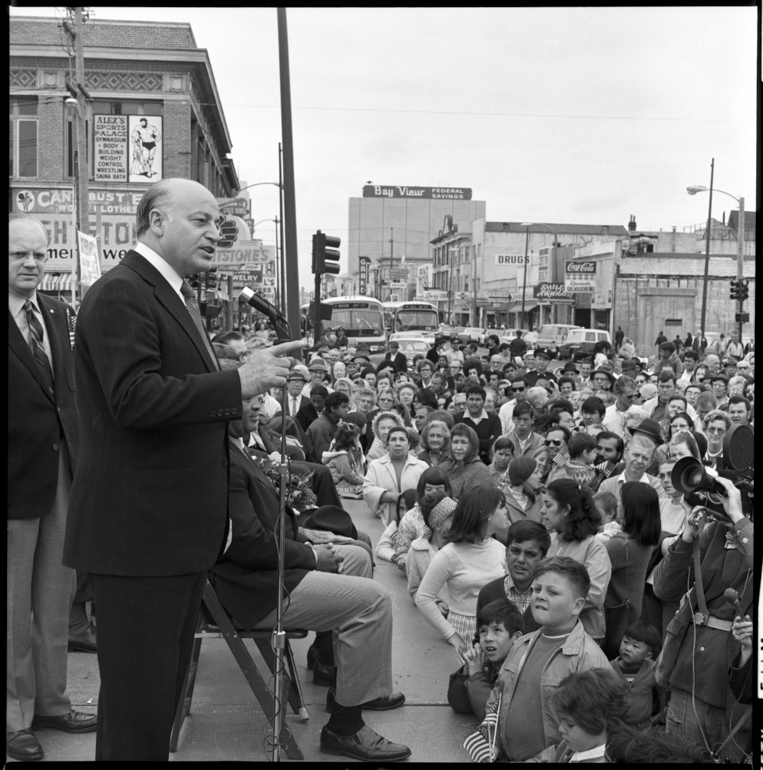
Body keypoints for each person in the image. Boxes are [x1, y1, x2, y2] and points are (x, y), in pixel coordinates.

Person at [62, 179, 306, 761]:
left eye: (218, 222)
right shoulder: (123, 292)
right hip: (140, 542)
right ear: (154, 221)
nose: (215, 233)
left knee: (156, 708)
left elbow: (171, 388)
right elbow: (134, 399)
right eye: (200, 220)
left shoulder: (170, 293)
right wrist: (235, 383)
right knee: (136, 716)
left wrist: (238, 373)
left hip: (172, 542)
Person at [209, 412, 411, 762]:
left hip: (263, 576)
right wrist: (312, 556)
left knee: (358, 557)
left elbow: (262, 525)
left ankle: (336, 672)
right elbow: (246, 543)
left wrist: (308, 535)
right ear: (223, 404)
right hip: (250, 590)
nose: (258, 407)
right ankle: (344, 728)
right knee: (374, 601)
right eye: (248, 398)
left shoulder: (234, 448)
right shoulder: (221, 459)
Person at [8, 214, 97, 762]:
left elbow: (71, 397)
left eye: (39, 255)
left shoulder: (59, 313)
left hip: (63, 476)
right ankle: (13, 718)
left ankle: (50, 702)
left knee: (54, 600)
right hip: (11, 485)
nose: (32, 265)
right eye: (20, 255)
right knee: (11, 609)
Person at [653, 475, 753, 762]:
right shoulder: (716, 532)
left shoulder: (741, 527)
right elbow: (663, 588)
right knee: (677, 756)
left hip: (736, 689)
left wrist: (739, 518)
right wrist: (687, 537)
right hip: (689, 676)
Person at [483, 557, 610, 762]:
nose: (540, 596)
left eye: (552, 592)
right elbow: (498, 695)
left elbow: (593, 734)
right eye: (536, 589)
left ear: (577, 606)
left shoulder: (589, 661)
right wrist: (491, 740)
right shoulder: (521, 645)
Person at [415, 486, 509, 652]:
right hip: (464, 631)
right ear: (487, 514)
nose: (506, 512)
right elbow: (423, 598)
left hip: (497, 631)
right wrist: (451, 635)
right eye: (501, 507)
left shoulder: (501, 549)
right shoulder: (449, 554)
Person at [542, 480, 612, 643]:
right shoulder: (551, 540)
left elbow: (594, 594)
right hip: (551, 630)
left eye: (548, 505)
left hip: (582, 635)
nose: (542, 511)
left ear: (566, 510)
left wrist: (550, 600)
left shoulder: (594, 548)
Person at [601, 482, 661, 659]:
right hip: (631, 611)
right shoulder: (645, 540)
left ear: (632, 508)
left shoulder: (621, 545)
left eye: (621, 501)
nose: (618, 505)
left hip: (613, 617)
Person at [528, 669, 628, 763]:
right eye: (561, 720)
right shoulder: (571, 745)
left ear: (598, 722)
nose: (560, 728)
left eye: (570, 724)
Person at [447, 600, 524, 720]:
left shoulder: (518, 669)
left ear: (516, 638)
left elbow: (490, 716)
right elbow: (460, 705)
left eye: (497, 630)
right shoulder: (485, 663)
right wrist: (466, 672)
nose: (488, 638)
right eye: (483, 631)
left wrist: (476, 676)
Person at [477, 520, 551, 634]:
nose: (521, 559)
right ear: (506, 553)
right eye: (515, 551)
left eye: (530, 554)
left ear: (543, 560)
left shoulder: (551, 597)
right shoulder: (488, 593)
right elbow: (480, 638)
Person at [363, 426, 429, 526]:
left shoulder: (422, 466)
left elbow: (428, 493)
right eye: (393, 439)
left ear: (409, 445)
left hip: (416, 523)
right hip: (383, 523)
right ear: (387, 445)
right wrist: (394, 497)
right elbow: (367, 490)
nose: (397, 443)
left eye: (402, 439)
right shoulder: (375, 465)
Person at [608, 621, 661, 730]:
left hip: (642, 728)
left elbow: (663, 690)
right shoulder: (608, 669)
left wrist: (661, 715)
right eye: (625, 642)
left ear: (648, 656)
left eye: (635, 646)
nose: (628, 648)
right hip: (614, 728)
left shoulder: (653, 670)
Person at [437, 423, 496, 498]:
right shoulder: (442, 467)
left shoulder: (480, 471)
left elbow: (478, 505)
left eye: (464, 442)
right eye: (455, 442)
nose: (458, 447)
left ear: (473, 445)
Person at [454, 384, 502, 464]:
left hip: (488, 463)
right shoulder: (457, 419)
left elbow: (496, 444)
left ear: (483, 402)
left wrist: (468, 441)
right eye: (471, 399)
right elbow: (455, 443)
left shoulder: (494, 419)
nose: (474, 403)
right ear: (466, 401)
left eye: (478, 399)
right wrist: (485, 444)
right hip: (463, 463)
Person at [321, 421, 366, 499]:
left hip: (343, 484)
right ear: (351, 440)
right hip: (339, 487)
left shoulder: (346, 452)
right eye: (358, 439)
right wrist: (362, 481)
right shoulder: (342, 456)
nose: (359, 442)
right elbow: (348, 474)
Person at [306, 391, 349, 463]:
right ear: (332, 408)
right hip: (316, 468)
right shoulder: (322, 426)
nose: (347, 410)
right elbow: (323, 458)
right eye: (344, 407)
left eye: (347, 407)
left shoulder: (332, 422)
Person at [500, 456, 544, 524]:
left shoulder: (541, 498)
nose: (540, 475)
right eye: (536, 472)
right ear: (524, 475)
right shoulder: (501, 501)